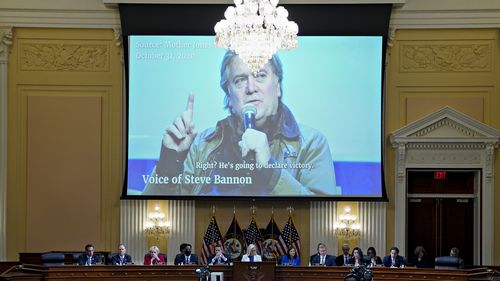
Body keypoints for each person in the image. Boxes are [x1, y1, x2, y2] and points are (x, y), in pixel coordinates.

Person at [142, 51, 339, 196]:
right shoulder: (203, 143)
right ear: (229, 95)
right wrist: (169, 161)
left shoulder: (311, 143)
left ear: (278, 86)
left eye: (260, 75)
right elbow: (163, 211)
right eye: (240, 80)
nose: (251, 88)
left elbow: (320, 215)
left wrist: (270, 170)